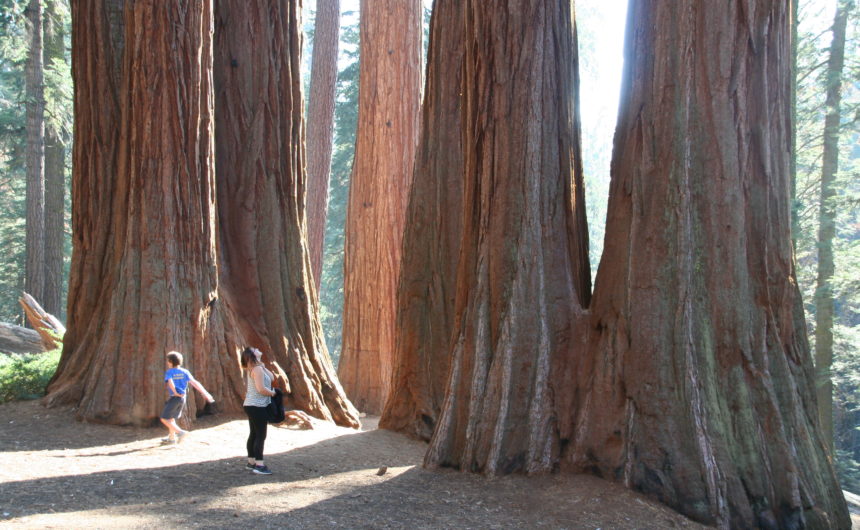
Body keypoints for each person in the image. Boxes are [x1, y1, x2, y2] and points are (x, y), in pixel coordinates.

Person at [160, 351, 215, 444]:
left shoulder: (169, 372)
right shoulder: (185, 372)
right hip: (182, 398)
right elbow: (194, 382)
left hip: (175, 397)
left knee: (164, 419)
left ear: (170, 362)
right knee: (171, 418)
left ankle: (180, 433)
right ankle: (171, 438)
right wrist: (205, 393)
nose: (167, 362)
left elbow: (170, 382)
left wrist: (175, 392)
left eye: (168, 361)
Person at [241, 347, 277, 475]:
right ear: (252, 355)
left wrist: (262, 365)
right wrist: (272, 393)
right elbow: (261, 389)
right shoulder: (256, 369)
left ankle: (251, 462)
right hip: (257, 406)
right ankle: (259, 465)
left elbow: (272, 378)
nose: (257, 349)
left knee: (254, 433)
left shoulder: (257, 368)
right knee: (261, 435)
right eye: (255, 349)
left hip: (252, 405)